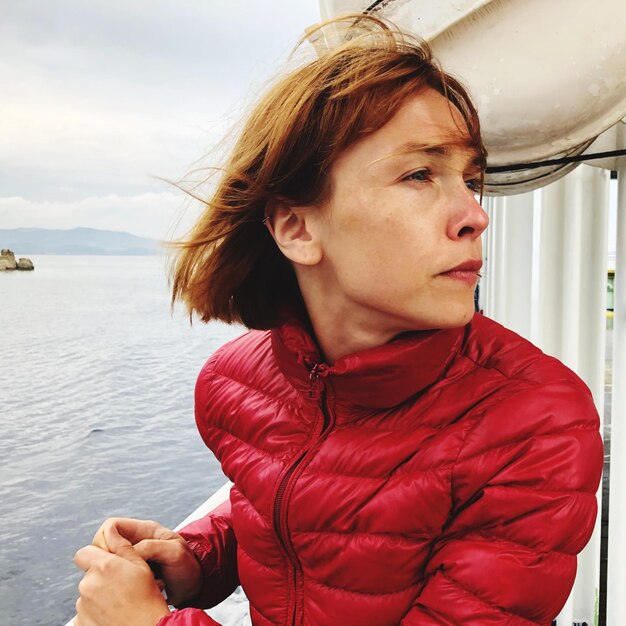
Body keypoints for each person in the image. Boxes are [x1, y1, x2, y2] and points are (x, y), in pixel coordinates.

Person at [73, 15, 603, 626]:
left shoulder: (534, 422)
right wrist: (199, 557)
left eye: (471, 180)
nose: (473, 215)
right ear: (296, 228)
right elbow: (290, 510)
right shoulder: (234, 385)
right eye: (419, 174)